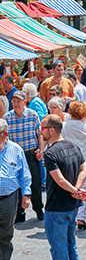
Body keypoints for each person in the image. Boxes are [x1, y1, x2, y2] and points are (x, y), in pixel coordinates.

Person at [41, 114, 86, 260]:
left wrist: (74, 191)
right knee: (70, 241)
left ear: (51, 130)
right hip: (71, 206)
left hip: (56, 207)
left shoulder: (50, 153)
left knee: (58, 246)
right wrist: (77, 189)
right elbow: (85, 168)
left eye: (43, 129)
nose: (41, 133)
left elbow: (59, 180)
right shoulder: (73, 146)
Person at [5, 91, 43, 222]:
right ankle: (20, 212)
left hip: (31, 152)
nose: (16, 104)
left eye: (18, 101)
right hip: (15, 156)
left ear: (24, 102)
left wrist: (41, 150)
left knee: (36, 183)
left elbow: (40, 134)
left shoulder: (32, 115)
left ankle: (39, 209)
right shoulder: (7, 117)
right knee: (17, 184)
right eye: (14, 101)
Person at [0, 119, 31, 260]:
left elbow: (24, 174)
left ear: (5, 135)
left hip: (9, 197)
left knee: (6, 231)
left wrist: (26, 195)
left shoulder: (16, 150)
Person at [62, 102, 86, 230]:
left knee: (71, 186)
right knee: (85, 187)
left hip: (69, 157)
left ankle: (71, 215)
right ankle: (81, 217)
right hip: (84, 158)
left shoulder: (65, 125)